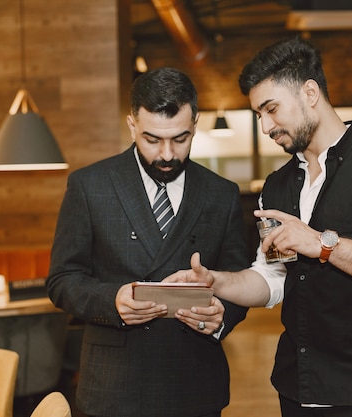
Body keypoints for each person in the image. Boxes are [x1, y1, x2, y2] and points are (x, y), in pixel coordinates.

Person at [166, 37, 352, 417]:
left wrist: (323, 244)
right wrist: (218, 282)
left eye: (271, 109)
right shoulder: (277, 186)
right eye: (258, 115)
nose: (265, 126)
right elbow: (274, 278)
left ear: (310, 92)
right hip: (296, 389)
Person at [46, 67, 249, 417]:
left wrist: (222, 316)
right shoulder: (89, 186)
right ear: (131, 125)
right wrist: (113, 300)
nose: (167, 154)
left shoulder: (222, 194)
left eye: (181, 139)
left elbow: (241, 280)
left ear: (195, 123)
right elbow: (62, 280)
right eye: (153, 139)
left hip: (194, 382)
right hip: (114, 385)